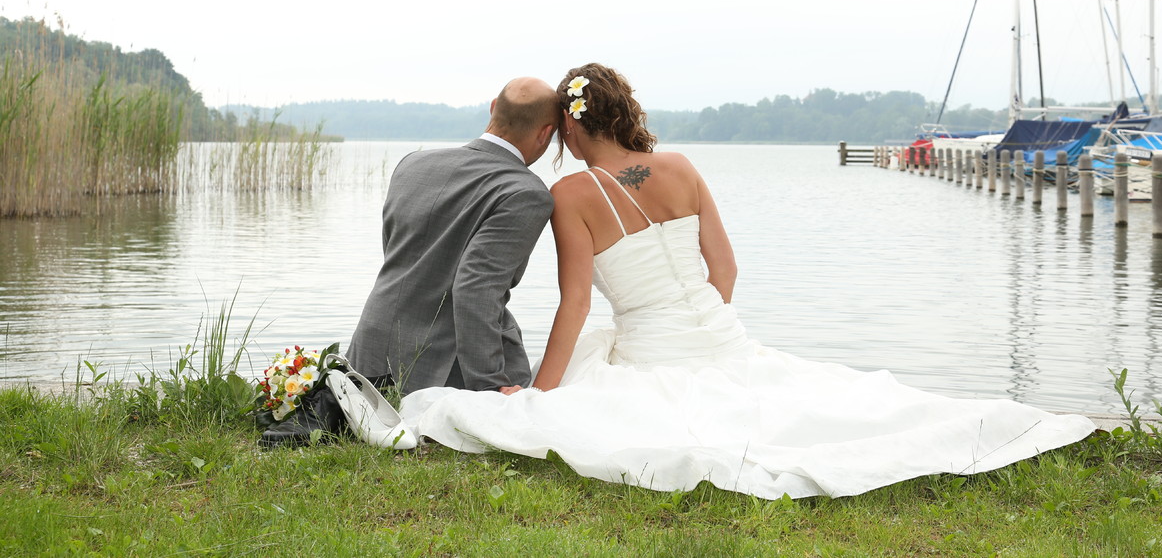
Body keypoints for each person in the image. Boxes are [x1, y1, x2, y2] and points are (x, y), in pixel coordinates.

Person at [396, 64, 1096, 499]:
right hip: (722, 335)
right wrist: (704, 329)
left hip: (653, 349)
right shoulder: (682, 168)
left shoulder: (573, 194)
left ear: (573, 126)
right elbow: (723, 270)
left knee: (619, 412)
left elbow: (575, 304)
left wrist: (542, 395)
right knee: (827, 401)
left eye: (562, 134)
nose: (559, 146)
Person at [345, 76, 559, 395]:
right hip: (439, 370)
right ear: (545, 133)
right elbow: (476, 288)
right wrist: (491, 386)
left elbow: (396, 255)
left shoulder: (412, 163)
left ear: (493, 109)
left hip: (367, 353)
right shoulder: (524, 192)